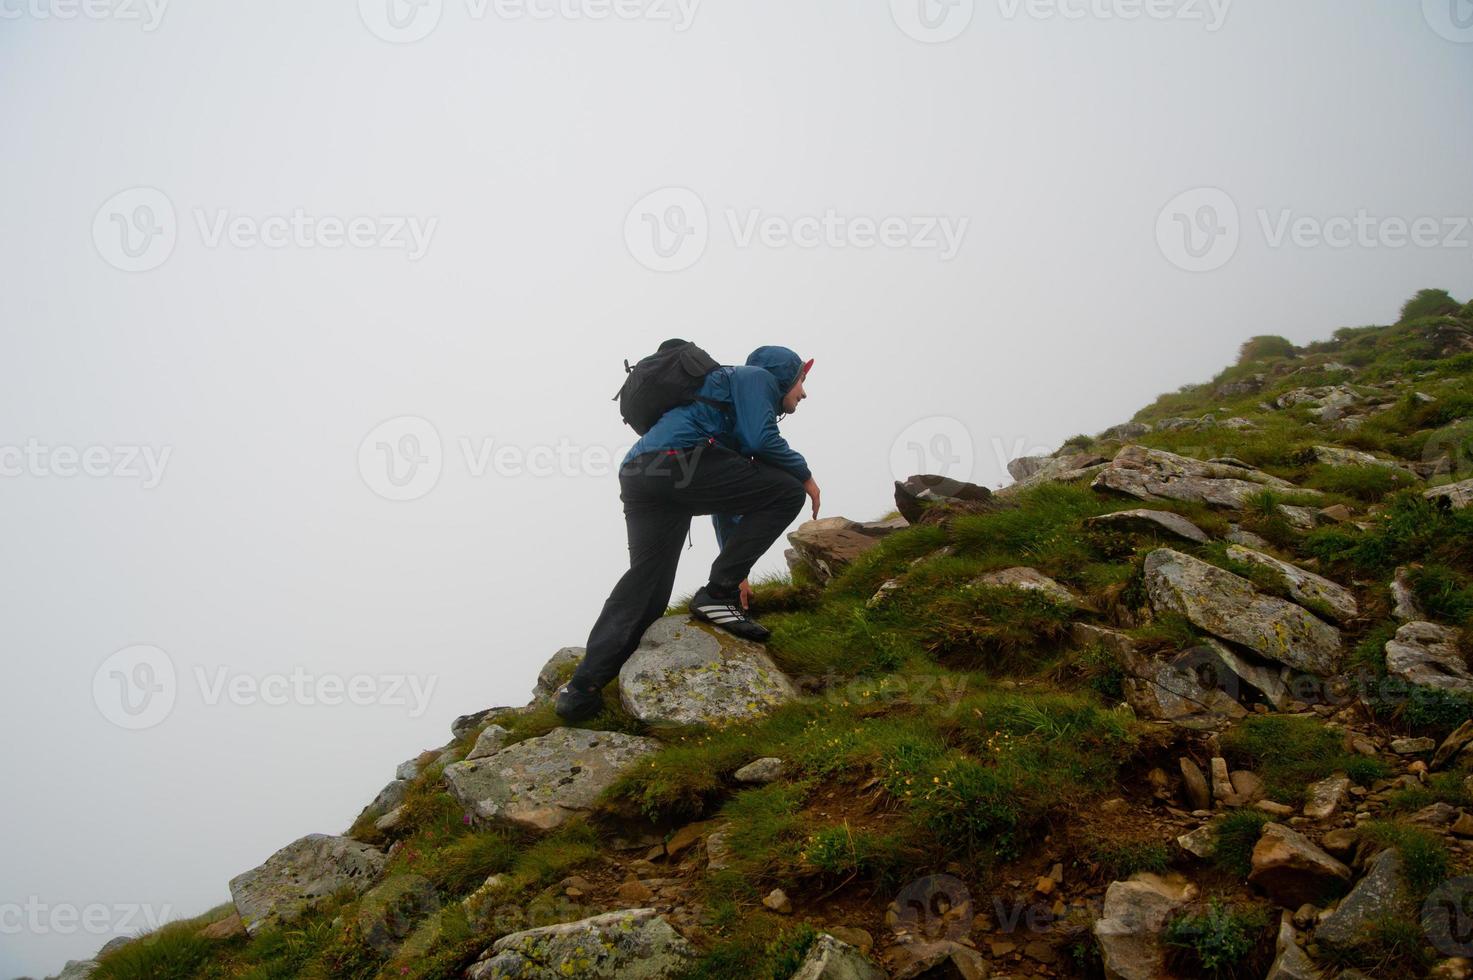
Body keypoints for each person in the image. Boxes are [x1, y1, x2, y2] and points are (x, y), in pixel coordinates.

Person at [554, 345, 820, 723]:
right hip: (679, 461)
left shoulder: (724, 403)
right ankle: (716, 595)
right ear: (784, 376)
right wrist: (806, 476)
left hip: (641, 473)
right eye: (801, 382)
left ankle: (581, 690)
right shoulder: (756, 378)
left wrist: (737, 572)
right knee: (787, 491)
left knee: (647, 586)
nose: (803, 393)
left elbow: (728, 501)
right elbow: (762, 441)